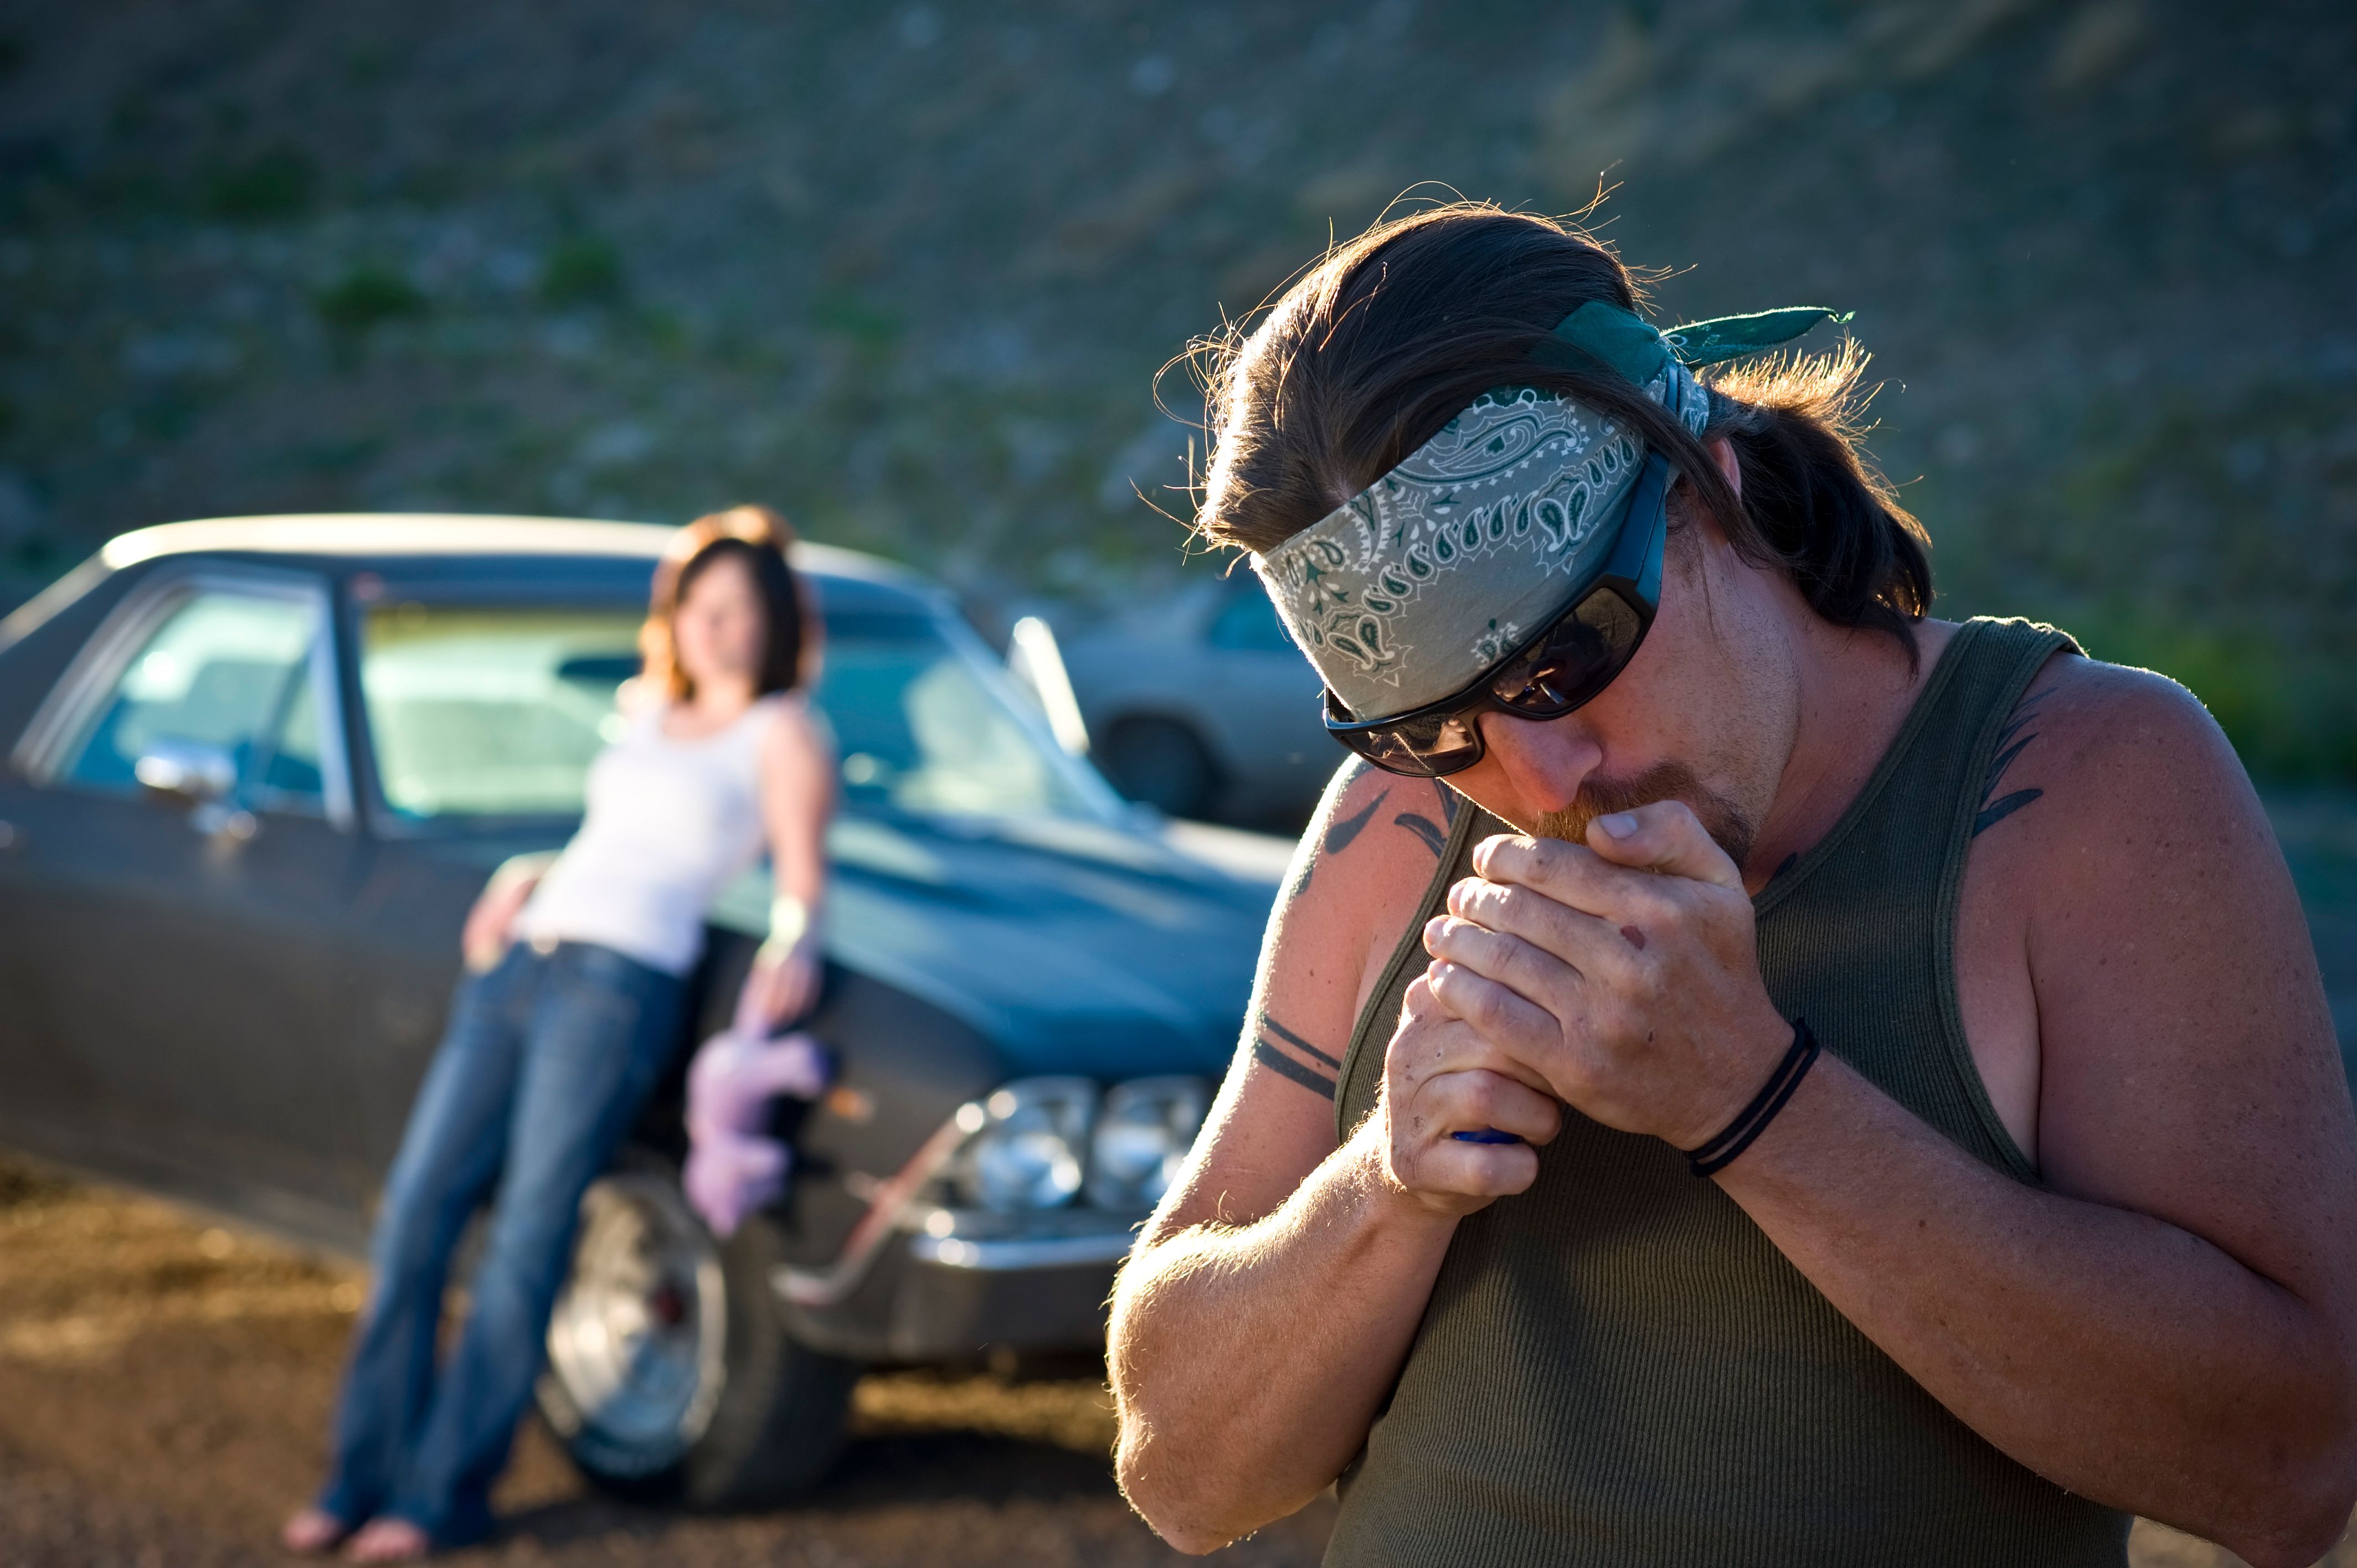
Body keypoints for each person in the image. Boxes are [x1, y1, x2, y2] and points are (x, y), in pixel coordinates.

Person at [1107, 205, 2357, 1567]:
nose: (1542, 775)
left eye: (1567, 654)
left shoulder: (2088, 782)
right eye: (1436, 723)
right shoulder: (1399, 823)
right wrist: (1385, 1187)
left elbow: (2289, 1472)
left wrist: (1749, 1098)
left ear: (1708, 482)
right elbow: (1180, 1474)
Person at [282, 506, 834, 1560]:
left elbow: (804, 882)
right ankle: (357, 1478)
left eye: (739, 611)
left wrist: (792, 942)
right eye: (698, 607)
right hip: (523, 966)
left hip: (616, 989)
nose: (716, 629)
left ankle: (440, 1499)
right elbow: (608, 840)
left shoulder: (784, 731)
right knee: (413, 1216)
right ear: (671, 619)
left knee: (530, 1235)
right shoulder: (645, 718)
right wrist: (524, 874)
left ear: (772, 625)